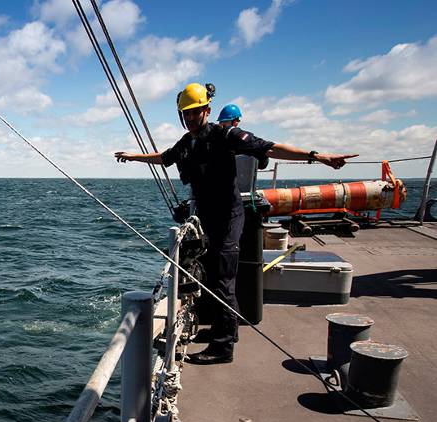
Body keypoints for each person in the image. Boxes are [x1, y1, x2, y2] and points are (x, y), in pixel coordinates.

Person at [115, 82, 356, 365]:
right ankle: (225, 329)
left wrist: (317, 157)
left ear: (207, 110)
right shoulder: (188, 142)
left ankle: (223, 347)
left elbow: (269, 148)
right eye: (186, 113)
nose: (191, 117)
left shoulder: (225, 135)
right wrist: (134, 157)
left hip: (228, 216)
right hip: (207, 217)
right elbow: (165, 158)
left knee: (223, 279)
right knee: (213, 274)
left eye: (195, 112)